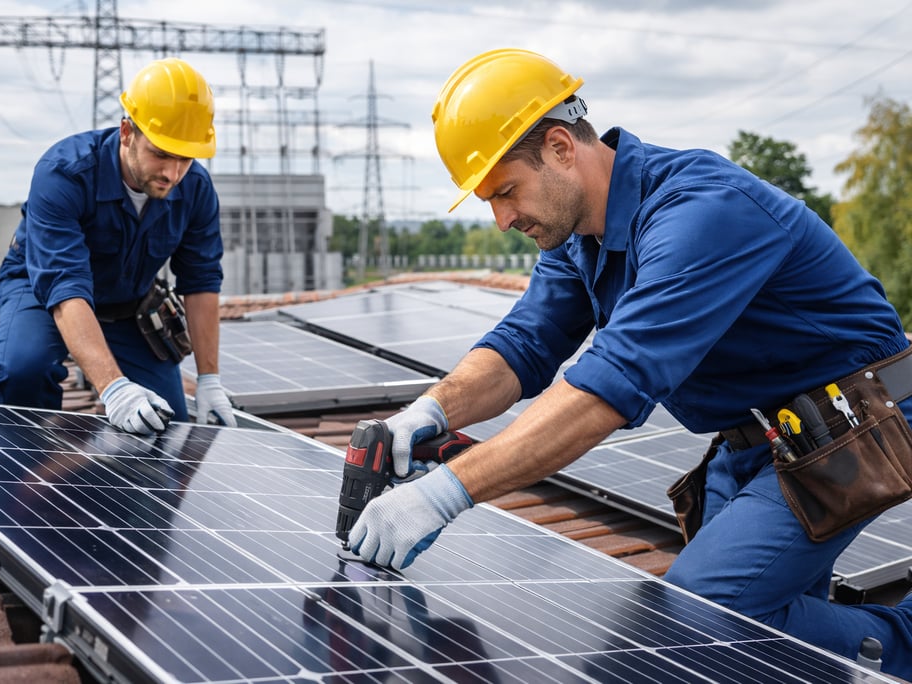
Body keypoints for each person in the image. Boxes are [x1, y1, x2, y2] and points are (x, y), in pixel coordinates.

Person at [346, 48, 912, 678]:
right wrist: (429, 410)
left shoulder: (701, 212)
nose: (503, 219)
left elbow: (607, 389)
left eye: (506, 191)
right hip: (762, 437)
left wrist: (447, 491)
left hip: (856, 419)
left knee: (695, 619)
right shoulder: (579, 236)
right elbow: (524, 345)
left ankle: (901, 645)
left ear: (561, 147)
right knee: (742, 645)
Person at [0, 57, 235, 435]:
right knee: (25, 370)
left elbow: (200, 281)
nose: (173, 173)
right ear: (126, 132)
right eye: (161, 153)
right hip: (41, 288)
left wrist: (209, 379)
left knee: (166, 421)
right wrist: (113, 388)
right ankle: (23, 480)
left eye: (185, 158)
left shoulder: (196, 189)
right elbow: (64, 284)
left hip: (128, 302)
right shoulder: (64, 174)